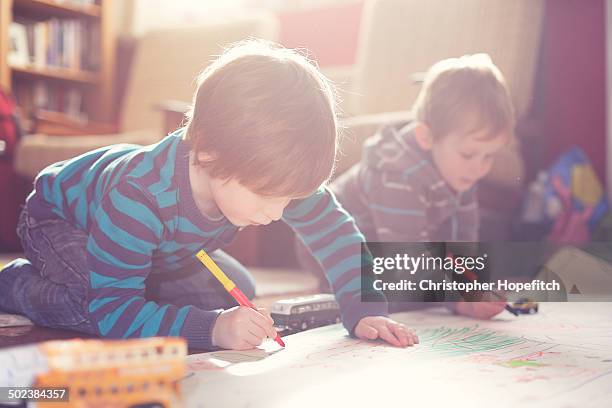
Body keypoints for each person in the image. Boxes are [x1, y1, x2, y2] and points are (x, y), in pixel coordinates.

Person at [0, 40, 418, 350]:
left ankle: (145, 285)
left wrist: (366, 311)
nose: (277, 214)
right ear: (207, 150)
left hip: (159, 244)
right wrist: (214, 328)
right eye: (267, 197)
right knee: (98, 309)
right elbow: (115, 312)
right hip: (62, 223)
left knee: (237, 287)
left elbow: (336, 233)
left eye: (288, 200)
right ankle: (15, 284)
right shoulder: (138, 198)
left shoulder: (271, 172)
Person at [297, 54, 515, 319]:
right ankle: (337, 289)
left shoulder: (461, 169)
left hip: (394, 240)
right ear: (426, 136)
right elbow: (405, 256)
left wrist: (471, 285)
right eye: (469, 154)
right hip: (329, 243)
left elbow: (462, 240)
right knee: (394, 296)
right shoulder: (397, 175)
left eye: (489, 156)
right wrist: (456, 300)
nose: (480, 168)